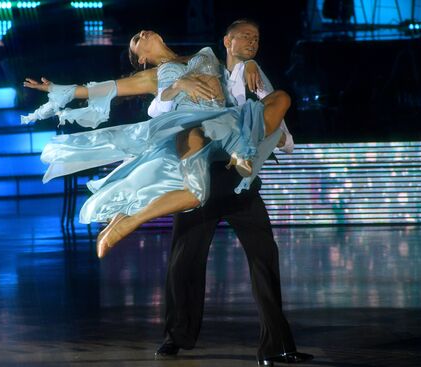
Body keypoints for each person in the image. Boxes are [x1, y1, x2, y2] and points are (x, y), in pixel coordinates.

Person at [22, 29, 292, 259]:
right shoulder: (153, 76)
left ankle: (244, 152)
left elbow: (234, 72)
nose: (143, 33)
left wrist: (251, 63)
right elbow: (103, 88)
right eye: (138, 39)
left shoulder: (205, 55)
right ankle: (127, 221)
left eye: (142, 31)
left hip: (226, 121)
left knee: (281, 98)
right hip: (192, 126)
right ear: (142, 58)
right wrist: (56, 89)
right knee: (196, 195)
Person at [153, 20, 313, 366]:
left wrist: (280, 138)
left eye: (257, 37)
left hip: (240, 181)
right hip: (201, 180)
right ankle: (175, 336)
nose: (252, 41)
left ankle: (277, 345)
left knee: (264, 258)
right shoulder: (196, 67)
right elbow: (159, 109)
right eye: (245, 36)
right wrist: (178, 85)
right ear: (227, 40)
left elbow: (273, 113)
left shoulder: (255, 73)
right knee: (184, 260)